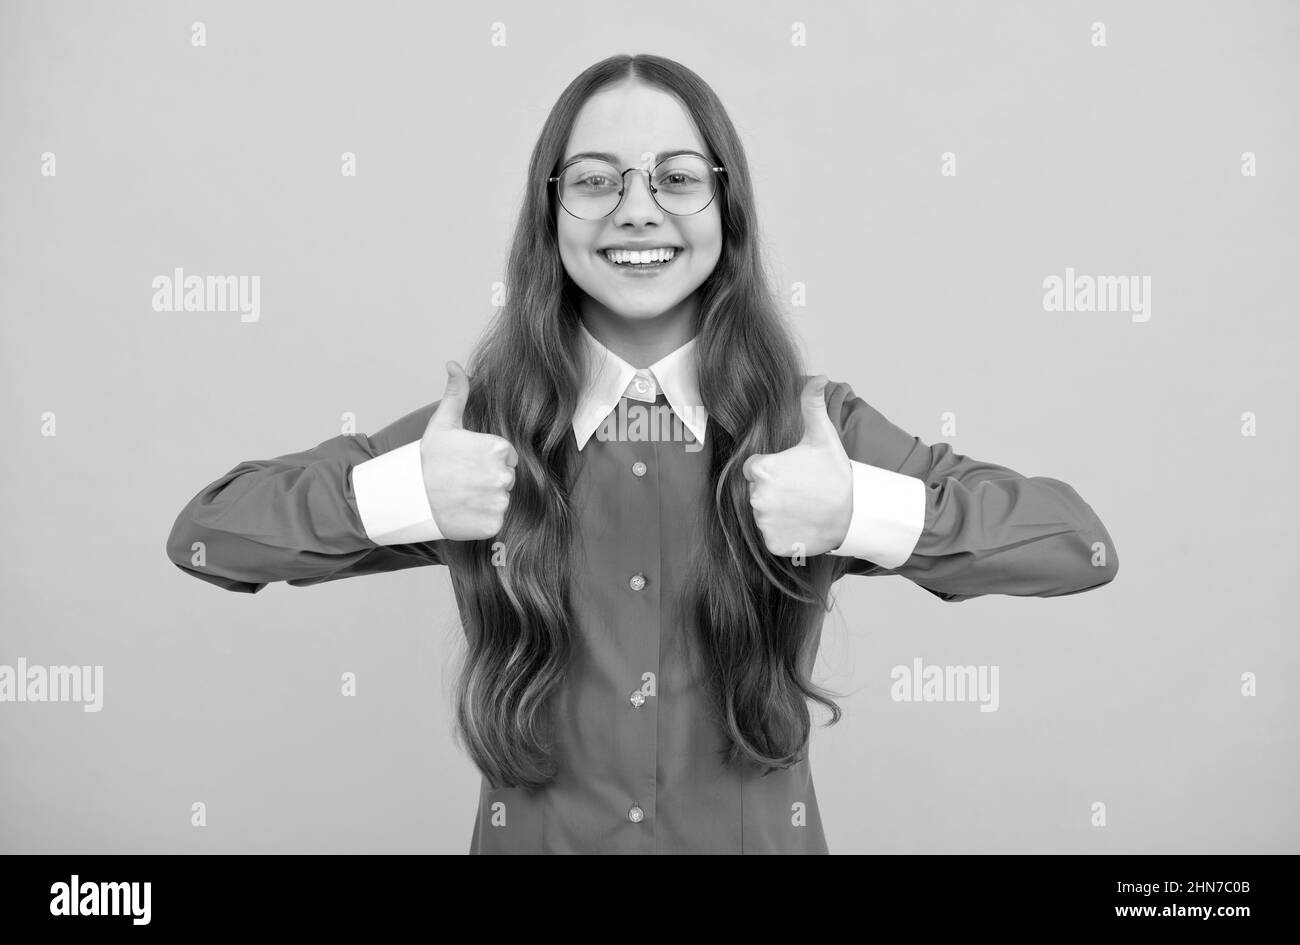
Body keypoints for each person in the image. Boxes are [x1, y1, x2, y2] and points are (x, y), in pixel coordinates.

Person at [165, 53, 1118, 854]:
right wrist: (399, 492)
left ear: (725, 209)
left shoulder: (813, 435)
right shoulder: (479, 436)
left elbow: (1079, 548)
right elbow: (210, 533)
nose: (636, 209)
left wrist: (861, 510)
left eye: (675, 176)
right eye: (594, 179)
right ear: (552, 216)